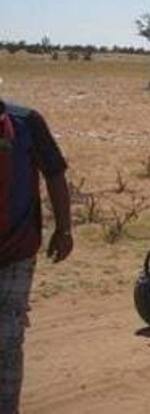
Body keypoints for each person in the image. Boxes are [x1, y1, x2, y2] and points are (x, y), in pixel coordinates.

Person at [0, 100, 72, 414]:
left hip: (16, 248)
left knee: (6, 337)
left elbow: (54, 173)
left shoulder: (26, 121)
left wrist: (65, 228)